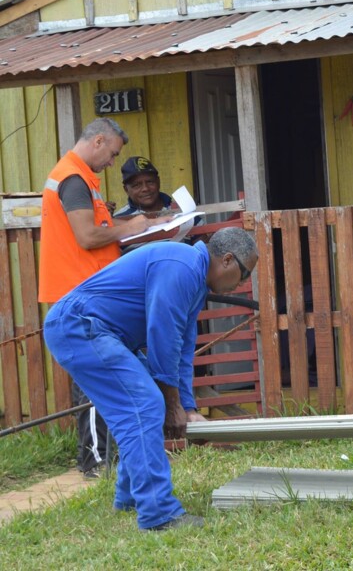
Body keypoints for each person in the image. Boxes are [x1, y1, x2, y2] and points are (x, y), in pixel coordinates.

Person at [42, 227, 258, 531]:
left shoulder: (194, 278)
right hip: (80, 327)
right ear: (227, 260)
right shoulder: (182, 267)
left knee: (145, 406)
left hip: (99, 332)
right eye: (245, 274)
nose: (243, 283)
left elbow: (182, 348)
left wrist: (188, 408)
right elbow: (162, 336)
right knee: (144, 406)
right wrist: (172, 405)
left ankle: (130, 497)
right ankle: (159, 514)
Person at [39, 118, 164, 479]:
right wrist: (131, 226)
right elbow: (88, 237)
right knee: (94, 378)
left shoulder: (77, 178)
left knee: (98, 374)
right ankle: (95, 463)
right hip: (79, 293)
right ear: (97, 141)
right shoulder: (73, 179)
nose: (112, 162)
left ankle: (102, 459)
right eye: (111, 154)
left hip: (85, 290)